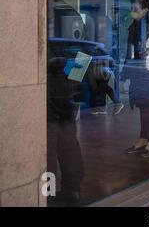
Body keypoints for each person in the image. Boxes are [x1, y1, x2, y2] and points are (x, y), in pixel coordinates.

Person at [121, 0, 149, 158]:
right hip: (138, 70)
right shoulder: (134, 27)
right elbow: (129, 52)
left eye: (135, 8)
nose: (133, 11)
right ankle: (143, 139)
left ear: (145, 9)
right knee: (142, 106)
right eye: (132, 8)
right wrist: (125, 75)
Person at [47, 45, 84, 206]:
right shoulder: (66, 53)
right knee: (69, 148)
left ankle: (50, 194)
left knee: (50, 152)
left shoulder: (51, 49)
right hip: (64, 104)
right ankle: (71, 190)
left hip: (53, 106)